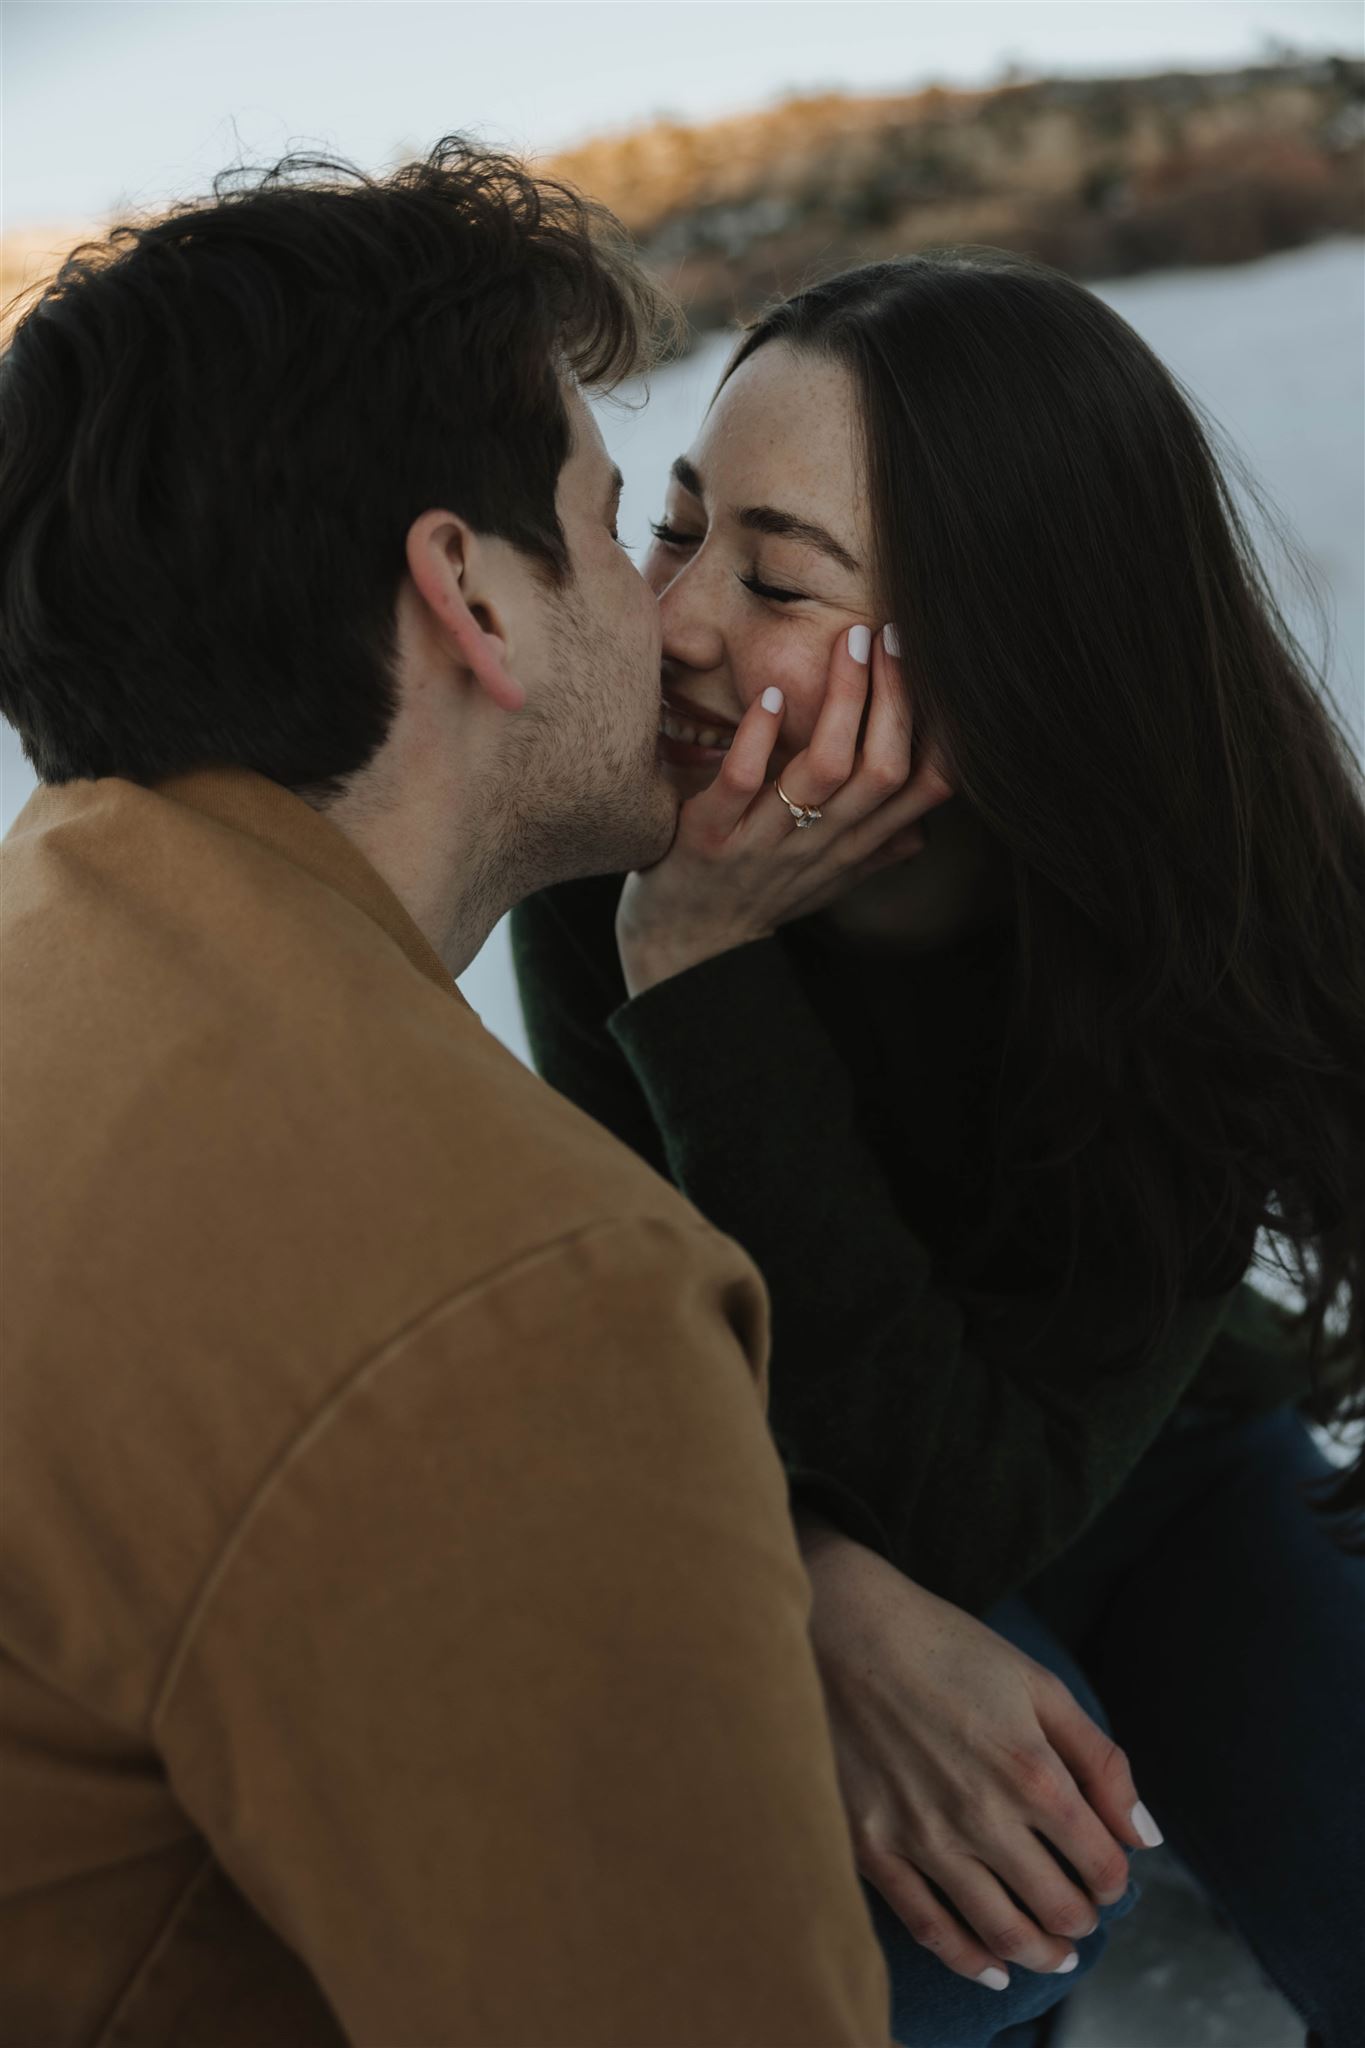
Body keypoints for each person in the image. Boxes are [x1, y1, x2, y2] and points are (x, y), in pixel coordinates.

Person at [0, 139, 917, 2047]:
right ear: (467, 599)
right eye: (607, 523)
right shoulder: (525, 1302)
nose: (665, 619)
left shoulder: (52, 954)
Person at [511, 251, 1365, 2048]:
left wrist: (703, 974)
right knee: (935, 1944)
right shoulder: (625, 879)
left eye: (775, 574)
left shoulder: (1195, 923)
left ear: (1002, 653)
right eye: (677, 532)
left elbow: (980, 1499)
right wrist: (691, 964)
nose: (669, 623)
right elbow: (632, 1354)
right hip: (758, 1504)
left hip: (1150, 1461)